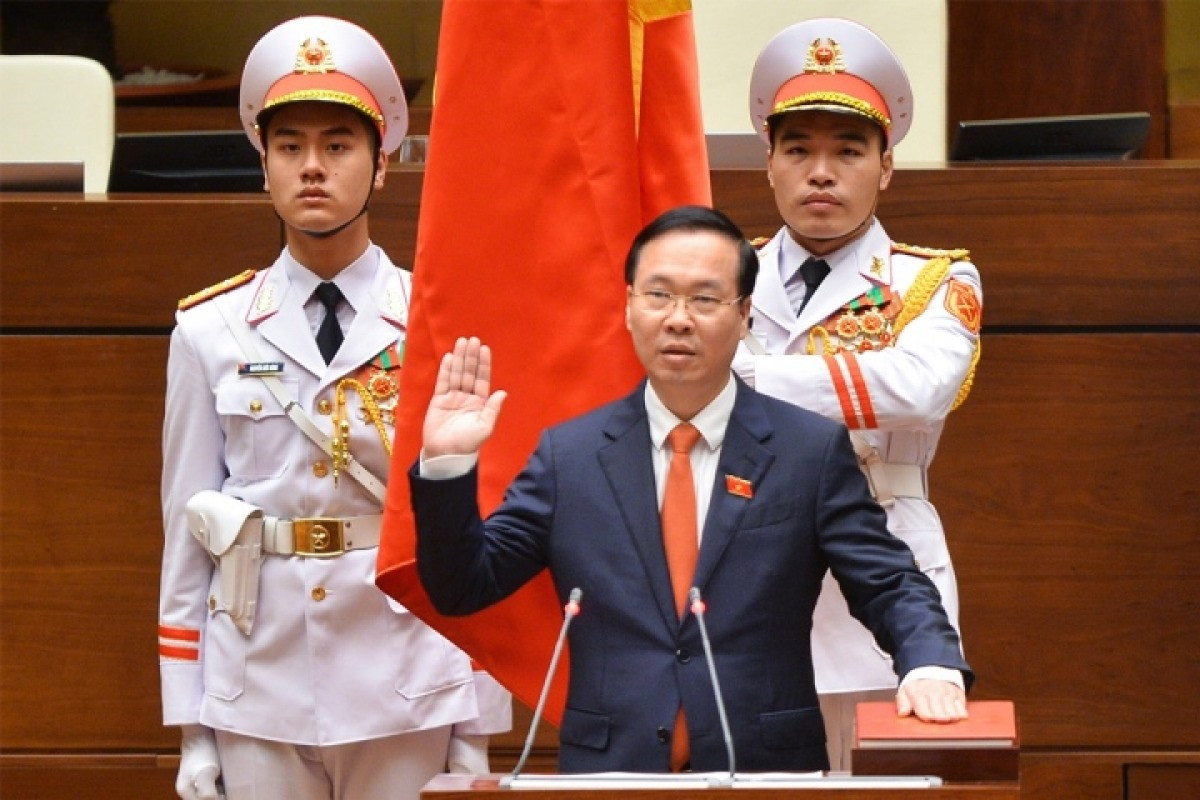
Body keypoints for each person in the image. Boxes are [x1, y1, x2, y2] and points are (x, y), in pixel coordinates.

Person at [409, 205, 970, 774]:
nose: (678, 319)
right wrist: (447, 465)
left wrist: (929, 664)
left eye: (704, 299)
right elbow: (463, 586)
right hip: (610, 773)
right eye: (658, 295)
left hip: (765, 769)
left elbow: (889, 581)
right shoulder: (570, 456)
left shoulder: (808, 450)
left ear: (746, 314)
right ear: (628, 308)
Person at [157, 16, 510, 800]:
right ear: (263, 166)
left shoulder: (439, 323)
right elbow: (186, 530)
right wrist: (191, 726)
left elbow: (476, 529)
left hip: (407, 677)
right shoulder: (209, 328)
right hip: (261, 682)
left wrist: (480, 725)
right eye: (289, 147)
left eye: (339, 145)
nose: (312, 168)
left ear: (382, 166)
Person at [737, 18, 984, 771]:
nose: (821, 172)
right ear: (770, 164)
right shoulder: (722, 274)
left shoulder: (933, 280)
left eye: (847, 151)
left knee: (894, 780)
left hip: (886, 558)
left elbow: (916, 390)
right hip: (749, 560)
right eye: (799, 150)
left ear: (885, 168)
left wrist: (744, 377)